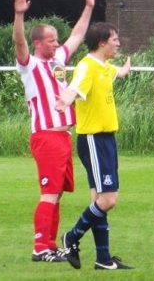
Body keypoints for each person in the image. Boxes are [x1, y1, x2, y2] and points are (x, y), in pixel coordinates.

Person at [13, 0, 99, 263]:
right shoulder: (30, 65)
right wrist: (18, 16)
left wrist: (88, 5)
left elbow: (77, 34)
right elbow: (19, 44)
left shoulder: (58, 60)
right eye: (50, 39)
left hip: (63, 137)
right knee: (49, 193)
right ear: (38, 42)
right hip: (47, 135)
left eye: (55, 39)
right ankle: (40, 247)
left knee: (57, 194)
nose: (56, 42)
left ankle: (49, 245)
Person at [55, 22, 134, 269]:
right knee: (108, 200)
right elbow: (75, 88)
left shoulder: (104, 66)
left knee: (99, 199)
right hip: (93, 140)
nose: (118, 43)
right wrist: (65, 100)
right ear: (101, 43)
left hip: (106, 139)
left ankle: (103, 258)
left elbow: (116, 73)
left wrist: (125, 69)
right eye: (114, 39)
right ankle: (72, 236)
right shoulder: (87, 67)